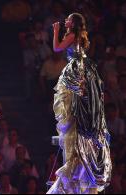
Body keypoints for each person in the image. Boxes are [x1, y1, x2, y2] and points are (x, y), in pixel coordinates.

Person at [47, 13, 112, 194]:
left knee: (69, 100)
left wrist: (56, 31)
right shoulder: (82, 36)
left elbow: (57, 48)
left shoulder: (72, 35)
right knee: (81, 102)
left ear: (73, 23)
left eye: (68, 19)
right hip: (86, 71)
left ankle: (74, 119)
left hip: (76, 71)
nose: (65, 21)